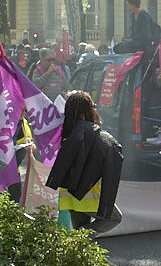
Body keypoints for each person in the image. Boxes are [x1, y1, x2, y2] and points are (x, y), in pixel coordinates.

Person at [45, 91, 124, 234]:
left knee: (81, 240)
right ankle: (78, 238)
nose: (95, 109)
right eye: (92, 106)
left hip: (68, 195)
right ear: (86, 111)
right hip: (89, 195)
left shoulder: (66, 133)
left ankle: (77, 241)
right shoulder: (96, 136)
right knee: (114, 218)